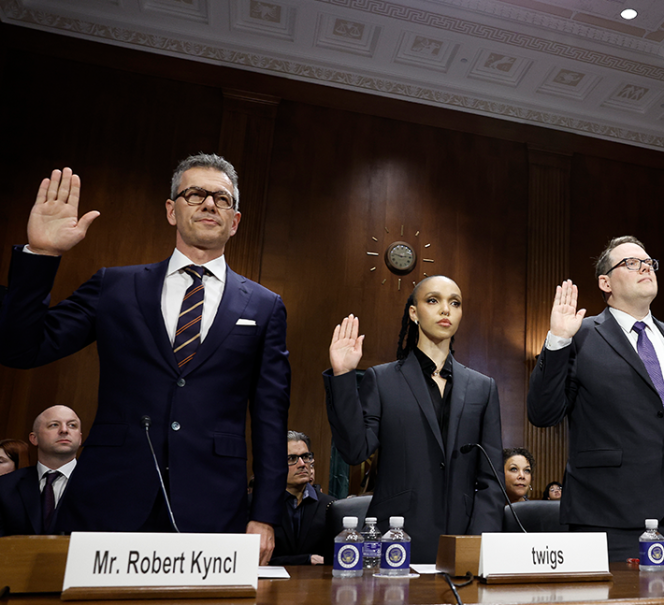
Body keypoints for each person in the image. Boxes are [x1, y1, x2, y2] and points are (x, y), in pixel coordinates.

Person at [0, 157, 290, 563]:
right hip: (110, 498)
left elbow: (271, 418)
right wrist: (41, 255)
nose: (209, 204)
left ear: (235, 220)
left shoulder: (265, 306)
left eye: (221, 199)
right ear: (172, 210)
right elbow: (22, 348)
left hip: (213, 506)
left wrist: (264, 515)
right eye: (195, 195)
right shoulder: (114, 286)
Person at [527, 236, 664, 562]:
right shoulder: (581, 335)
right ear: (606, 282)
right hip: (606, 514)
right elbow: (543, 413)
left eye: (648, 262)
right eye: (631, 263)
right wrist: (558, 341)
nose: (645, 267)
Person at [325, 275, 503, 563]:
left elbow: (490, 480)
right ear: (414, 312)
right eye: (433, 300)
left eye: (454, 303)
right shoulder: (381, 380)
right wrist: (343, 377)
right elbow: (354, 450)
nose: (445, 309)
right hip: (397, 541)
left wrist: (479, 541)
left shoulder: (483, 387)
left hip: (464, 541)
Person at [0, 405, 82, 536]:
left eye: (72, 425)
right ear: (34, 438)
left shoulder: (101, 485)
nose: (64, 430)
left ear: (80, 438)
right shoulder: (5, 486)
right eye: (54, 425)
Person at [271, 431, 338, 566]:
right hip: (270, 584)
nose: (302, 464)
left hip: (318, 583)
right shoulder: (255, 505)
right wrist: (306, 559)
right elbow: (250, 559)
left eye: (305, 457)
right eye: (291, 459)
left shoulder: (331, 506)